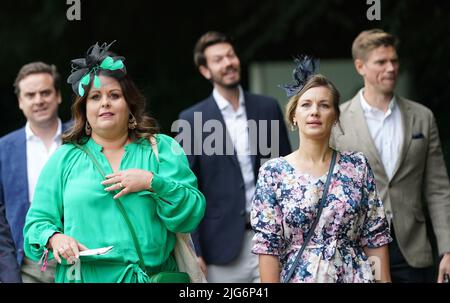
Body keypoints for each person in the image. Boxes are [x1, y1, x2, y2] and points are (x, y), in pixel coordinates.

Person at [23, 42, 206, 283]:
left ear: (130, 105)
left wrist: (152, 183)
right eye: (95, 97)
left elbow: (191, 214)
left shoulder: (161, 149)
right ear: (84, 110)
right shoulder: (64, 158)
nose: (105, 103)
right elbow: (36, 225)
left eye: (114, 95)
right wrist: (54, 237)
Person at [251, 57, 392, 283]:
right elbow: (268, 246)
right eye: (306, 105)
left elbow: (375, 236)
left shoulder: (357, 166)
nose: (315, 111)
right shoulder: (273, 173)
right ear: (294, 116)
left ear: (335, 117)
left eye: (324, 105)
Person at [330, 29, 450, 283]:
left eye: (394, 60)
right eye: (381, 62)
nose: (391, 68)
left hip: (412, 248)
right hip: (357, 248)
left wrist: (447, 249)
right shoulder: (337, 122)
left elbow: (438, 189)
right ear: (360, 66)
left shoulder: (422, 117)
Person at [177, 31, 291, 282]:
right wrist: (195, 250)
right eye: (218, 59)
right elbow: (188, 188)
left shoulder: (268, 107)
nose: (228, 62)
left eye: (231, 55)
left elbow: (288, 173)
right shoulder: (192, 119)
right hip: (220, 248)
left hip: (273, 239)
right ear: (205, 71)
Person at [0, 62, 71, 283]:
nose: (39, 100)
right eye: (30, 95)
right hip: (29, 264)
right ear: (21, 102)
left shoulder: (83, 139)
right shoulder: (3, 149)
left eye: (45, 92)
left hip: (83, 257)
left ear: (58, 96)